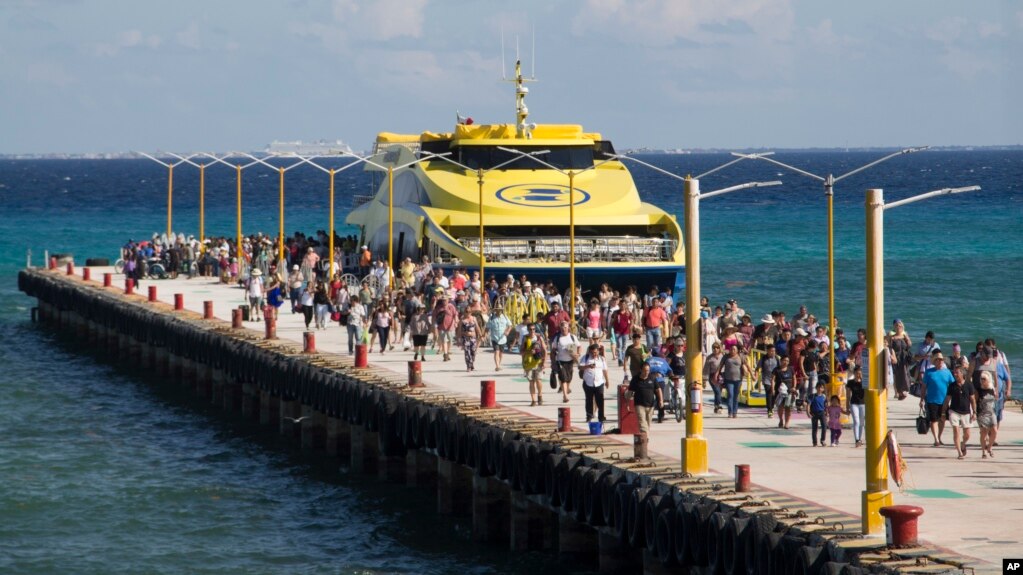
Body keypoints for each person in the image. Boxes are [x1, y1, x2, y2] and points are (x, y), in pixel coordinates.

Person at [921, 351, 954, 446]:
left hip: (944, 400)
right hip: (931, 400)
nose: (940, 361)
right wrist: (922, 399)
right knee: (933, 420)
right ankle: (936, 439)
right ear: (934, 361)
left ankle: (939, 436)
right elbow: (923, 386)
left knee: (942, 419)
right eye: (938, 360)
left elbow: (952, 385)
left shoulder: (947, 372)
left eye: (941, 360)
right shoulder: (929, 372)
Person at [942, 367, 976, 459]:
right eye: (954, 373)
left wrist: (974, 412)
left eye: (957, 373)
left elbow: (972, 399)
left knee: (967, 434)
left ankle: (963, 443)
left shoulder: (969, 385)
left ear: (962, 374)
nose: (955, 374)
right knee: (956, 431)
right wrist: (943, 413)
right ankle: (959, 453)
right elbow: (947, 399)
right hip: (954, 411)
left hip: (966, 412)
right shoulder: (952, 386)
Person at [629, 363, 663, 439]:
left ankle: (644, 435)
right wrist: (628, 401)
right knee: (642, 422)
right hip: (639, 404)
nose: (646, 372)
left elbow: (658, 390)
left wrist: (661, 400)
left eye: (648, 370)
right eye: (645, 370)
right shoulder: (635, 379)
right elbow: (630, 391)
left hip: (650, 405)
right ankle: (645, 438)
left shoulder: (652, 378)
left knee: (647, 423)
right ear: (641, 370)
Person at [551, 321, 581, 403]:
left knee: (569, 378)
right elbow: (553, 350)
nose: (564, 329)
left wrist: (578, 354)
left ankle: (567, 388)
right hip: (560, 361)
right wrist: (553, 361)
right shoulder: (557, 338)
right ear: (560, 328)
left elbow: (579, 346)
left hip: (571, 360)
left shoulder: (572, 337)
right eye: (562, 327)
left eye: (565, 327)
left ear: (568, 328)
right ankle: (565, 396)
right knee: (563, 378)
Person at [580, 344, 610, 423]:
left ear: (598, 351)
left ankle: (601, 416)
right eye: (592, 352)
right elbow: (580, 367)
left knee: (600, 400)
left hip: (599, 382)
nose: (594, 354)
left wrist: (607, 381)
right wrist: (588, 366)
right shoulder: (586, 358)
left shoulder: (602, 359)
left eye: (595, 352)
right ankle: (589, 416)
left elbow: (605, 370)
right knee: (589, 400)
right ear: (590, 351)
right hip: (588, 383)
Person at [717, 344, 747, 419]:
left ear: (737, 350)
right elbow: (720, 365)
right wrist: (717, 374)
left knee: (735, 396)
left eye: (734, 349)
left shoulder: (740, 356)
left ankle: (735, 412)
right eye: (731, 349)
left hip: (738, 379)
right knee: (730, 395)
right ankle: (730, 412)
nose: (732, 351)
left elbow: (746, 365)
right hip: (728, 379)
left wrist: (752, 375)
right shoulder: (726, 357)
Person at [521, 324, 547, 406]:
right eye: (530, 329)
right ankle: (533, 400)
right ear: (528, 330)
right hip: (528, 363)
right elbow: (521, 351)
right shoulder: (525, 339)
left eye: (534, 329)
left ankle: (540, 395)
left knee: (538, 380)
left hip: (538, 362)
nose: (532, 331)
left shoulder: (539, 338)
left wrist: (544, 362)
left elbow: (545, 350)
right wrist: (529, 352)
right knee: (531, 381)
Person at [888, 319, 913, 400]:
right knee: (898, 375)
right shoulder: (892, 337)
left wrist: (907, 338)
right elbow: (889, 348)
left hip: (904, 357)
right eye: (896, 326)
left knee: (906, 373)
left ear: (902, 327)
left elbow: (909, 345)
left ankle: (905, 390)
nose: (898, 327)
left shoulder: (905, 335)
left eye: (900, 326)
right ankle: (899, 391)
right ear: (894, 327)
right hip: (897, 357)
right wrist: (892, 357)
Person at [976, 371, 998, 458]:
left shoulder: (992, 389)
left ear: (988, 380)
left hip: (991, 412)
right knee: (983, 433)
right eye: (981, 379)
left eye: (984, 379)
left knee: (994, 431)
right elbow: (975, 401)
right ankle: (983, 451)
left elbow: (995, 399)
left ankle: (989, 447)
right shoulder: (979, 390)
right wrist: (974, 412)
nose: (982, 380)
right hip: (982, 413)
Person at [756, 345, 780, 417]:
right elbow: (758, 368)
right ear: (767, 351)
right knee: (769, 393)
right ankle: (769, 409)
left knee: (774, 394)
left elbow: (779, 368)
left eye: (774, 351)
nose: (773, 352)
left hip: (775, 379)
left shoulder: (776, 358)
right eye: (771, 351)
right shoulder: (763, 359)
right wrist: (756, 375)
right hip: (766, 378)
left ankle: (772, 407)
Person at [845, 365, 866, 447]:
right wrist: (847, 407)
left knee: (862, 423)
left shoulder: (865, 382)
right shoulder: (850, 382)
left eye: (860, 373)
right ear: (854, 373)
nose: (858, 375)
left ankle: (860, 439)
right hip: (854, 403)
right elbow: (848, 396)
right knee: (856, 421)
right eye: (857, 373)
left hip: (863, 404)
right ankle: (856, 439)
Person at [433, 296, 458, 362]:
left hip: (450, 326)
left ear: (448, 300)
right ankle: (445, 354)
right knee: (443, 341)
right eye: (443, 300)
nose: (444, 301)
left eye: (445, 300)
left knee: (450, 340)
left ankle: (448, 351)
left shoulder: (451, 306)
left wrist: (455, 322)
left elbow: (455, 314)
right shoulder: (438, 307)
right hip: (441, 326)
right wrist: (434, 324)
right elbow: (434, 316)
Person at [773, 356, 795, 429]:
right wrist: (772, 389)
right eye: (784, 360)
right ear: (781, 361)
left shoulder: (791, 369)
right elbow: (773, 380)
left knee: (788, 407)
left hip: (789, 391)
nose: (786, 362)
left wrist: (794, 387)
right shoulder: (776, 370)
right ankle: (781, 420)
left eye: (787, 361)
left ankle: (787, 423)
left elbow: (794, 378)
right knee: (780, 407)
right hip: (780, 391)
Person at [703, 343, 725, 414]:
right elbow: (706, 369)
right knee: (717, 391)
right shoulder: (709, 358)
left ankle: (716, 406)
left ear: (719, 348)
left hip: (721, 376)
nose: (715, 349)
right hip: (712, 376)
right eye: (714, 348)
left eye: (717, 348)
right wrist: (704, 380)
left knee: (718, 392)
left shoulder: (723, 356)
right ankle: (719, 405)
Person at [806, 382, 828, 447]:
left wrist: (827, 412)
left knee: (824, 426)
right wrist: (808, 413)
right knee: (814, 428)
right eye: (818, 387)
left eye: (821, 387)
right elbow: (808, 405)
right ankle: (814, 442)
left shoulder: (824, 397)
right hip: (814, 413)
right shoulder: (812, 396)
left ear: (823, 389)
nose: (819, 389)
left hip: (822, 413)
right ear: (816, 387)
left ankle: (823, 440)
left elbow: (826, 405)